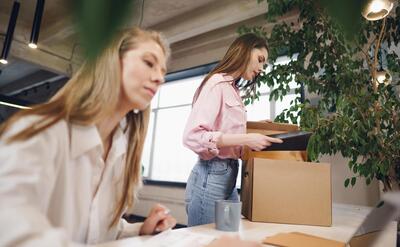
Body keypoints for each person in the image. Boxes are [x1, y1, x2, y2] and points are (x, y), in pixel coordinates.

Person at [0, 27, 177, 246]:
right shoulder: (41, 132)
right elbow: (10, 230)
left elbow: (97, 229)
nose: (160, 78)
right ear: (112, 61)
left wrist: (141, 228)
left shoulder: (121, 149)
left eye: (163, 72)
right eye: (149, 63)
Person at [183, 33, 283, 226]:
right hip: (211, 175)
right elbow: (192, 136)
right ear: (245, 51)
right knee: (205, 242)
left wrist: (255, 127)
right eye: (260, 60)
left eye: (265, 64)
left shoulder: (232, 89)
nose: (262, 69)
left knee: (228, 237)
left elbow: (225, 127)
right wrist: (246, 139)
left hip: (230, 174)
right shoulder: (216, 83)